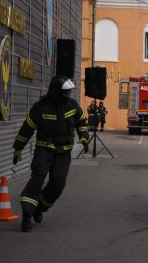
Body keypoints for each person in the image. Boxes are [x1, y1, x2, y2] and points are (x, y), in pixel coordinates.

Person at [12, 76, 90, 232]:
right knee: (38, 177)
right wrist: (18, 147)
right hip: (44, 149)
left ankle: (39, 207)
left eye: (69, 92)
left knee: (58, 184)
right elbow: (27, 128)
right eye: (65, 92)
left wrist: (84, 136)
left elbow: (81, 121)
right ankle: (27, 214)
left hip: (63, 152)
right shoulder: (41, 108)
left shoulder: (72, 106)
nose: (68, 94)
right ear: (56, 92)